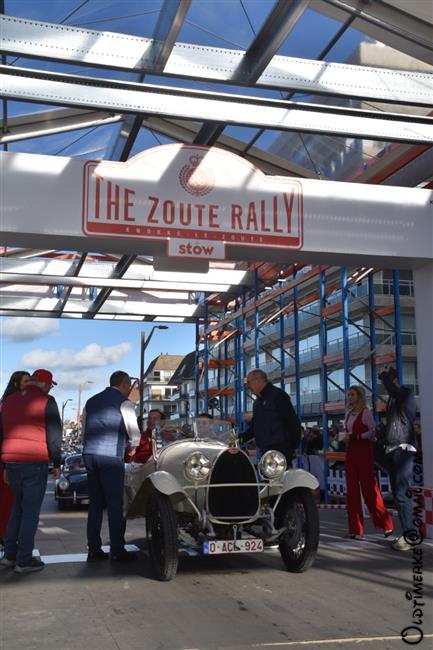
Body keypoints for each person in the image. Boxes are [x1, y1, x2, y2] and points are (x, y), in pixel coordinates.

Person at [0, 369, 62, 573]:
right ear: (43, 383)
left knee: (17, 508)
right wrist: (57, 463)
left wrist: (4, 465)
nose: (50, 388)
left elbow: (2, 433)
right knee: (30, 512)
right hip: (34, 462)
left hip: (11, 462)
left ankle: (9, 555)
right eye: (50, 385)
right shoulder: (47, 401)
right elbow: (54, 435)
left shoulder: (8, 401)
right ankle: (24, 560)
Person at [82, 371, 140, 562]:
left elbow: (84, 431)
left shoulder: (91, 401)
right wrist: (131, 447)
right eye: (129, 386)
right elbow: (134, 434)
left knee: (95, 504)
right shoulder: (124, 403)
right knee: (115, 505)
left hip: (89, 455)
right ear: (124, 384)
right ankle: (117, 549)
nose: (129, 389)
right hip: (110, 456)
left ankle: (94, 548)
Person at [343, 385, 393, 540]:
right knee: (352, 491)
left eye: (352, 394)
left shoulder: (366, 413)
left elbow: (372, 431)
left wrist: (358, 436)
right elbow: (348, 432)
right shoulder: (349, 413)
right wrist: (345, 437)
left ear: (359, 396)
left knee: (369, 489)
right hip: (351, 452)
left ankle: (386, 524)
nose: (350, 397)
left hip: (364, 452)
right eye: (349, 395)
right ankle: (355, 529)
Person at [379, 366, 417, 552]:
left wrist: (386, 377)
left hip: (402, 448)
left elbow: (393, 389)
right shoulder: (394, 400)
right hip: (394, 448)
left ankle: (410, 534)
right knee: (398, 494)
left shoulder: (405, 395)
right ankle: (407, 532)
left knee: (401, 493)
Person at [240, 369, 301, 464]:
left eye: (248, 382)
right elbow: (255, 427)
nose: (247, 386)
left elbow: (292, 421)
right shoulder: (257, 403)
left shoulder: (278, 395)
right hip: (264, 451)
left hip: (280, 451)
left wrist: (294, 446)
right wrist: (239, 438)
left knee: (282, 474)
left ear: (258, 380)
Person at [0, 371, 31, 550]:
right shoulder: (9, 404)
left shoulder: (10, 403)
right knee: (9, 502)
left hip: (10, 459)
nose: (29, 385)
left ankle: (9, 539)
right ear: (16, 383)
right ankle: (7, 539)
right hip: (7, 461)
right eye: (26, 381)